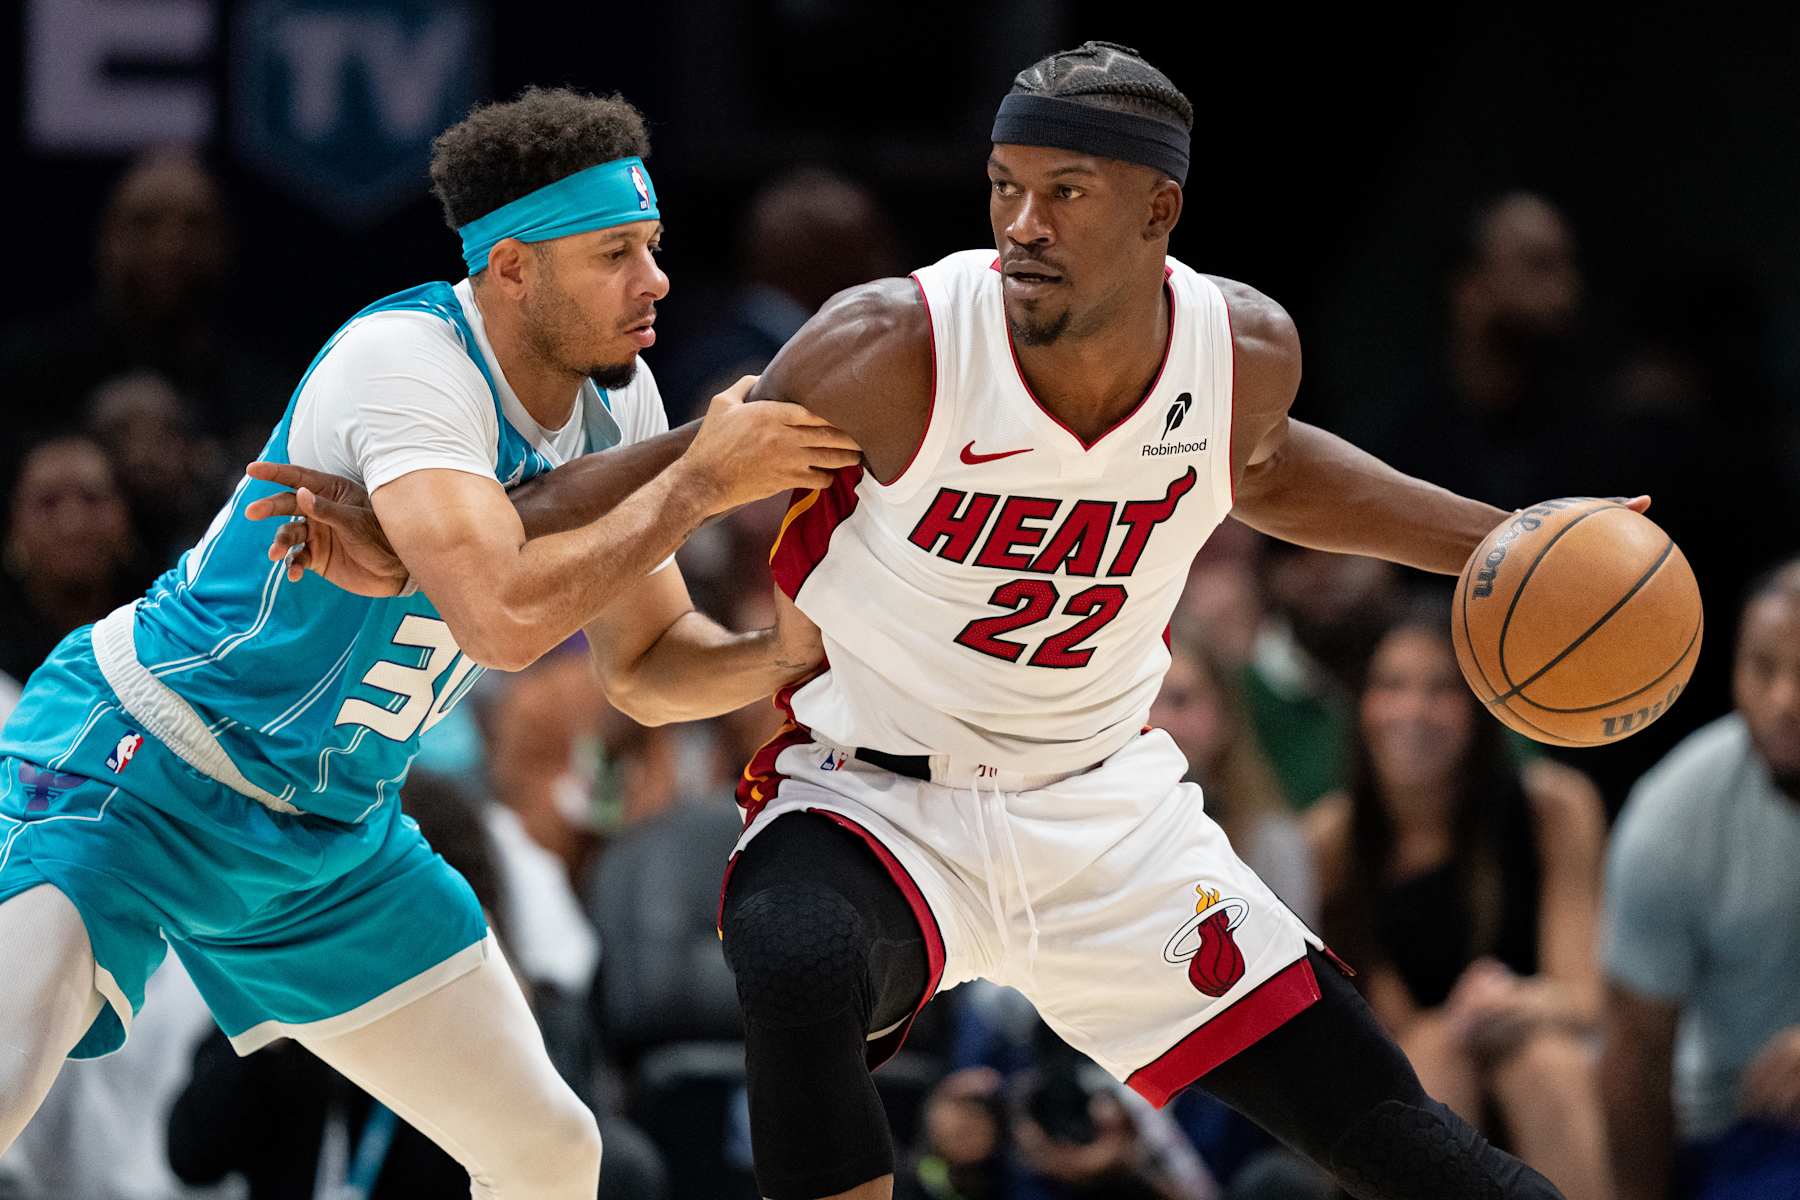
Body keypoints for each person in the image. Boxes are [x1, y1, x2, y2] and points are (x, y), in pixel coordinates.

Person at [275, 44, 1649, 1200]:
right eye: (1006, 188)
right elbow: (667, 465)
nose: (1025, 223)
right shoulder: (895, 346)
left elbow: (1277, 470)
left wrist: (1502, 536)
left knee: (1390, 1133)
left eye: (1065, 192)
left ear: (1159, 212)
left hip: (1109, 818)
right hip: (879, 803)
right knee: (794, 953)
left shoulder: (1242, 349)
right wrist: (415, 537)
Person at [0, 86, 856, 1200]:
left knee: (552, 1153)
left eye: (652, 247)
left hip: (328, 839)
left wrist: (787, 658)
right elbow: (498, 619)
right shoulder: (406, 360)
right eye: (615, 254)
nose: (656, 282)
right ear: (511, 268)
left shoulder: (624, 401)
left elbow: (646, 668)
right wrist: (698, 480)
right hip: (147, 768)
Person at [1306, 605, 1610, 1200]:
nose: (1411, 711)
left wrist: (1511, 1002)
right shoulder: (1332, 843)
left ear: (1481, 708)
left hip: (1535, 1049)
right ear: (1360, 702)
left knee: (1544, 1061)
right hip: (1414, 1075)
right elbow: (1366, 1027)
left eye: (1440, 689)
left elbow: (1582, 996)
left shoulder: (1554, 808)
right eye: (1391, 686)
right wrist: (1457, 1025)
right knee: (1430, 1057)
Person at [1600, 559, 1800, 1200]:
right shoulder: (1673, 817)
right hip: (1746, 1131)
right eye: (1762, 668)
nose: (1785, 701)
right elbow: (1637, 1054)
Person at [0, 436, 139, 683]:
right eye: (48, 503)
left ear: (125, 513)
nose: (72, 526)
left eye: (92, 499)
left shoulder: (164, 626)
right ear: (14, 522)